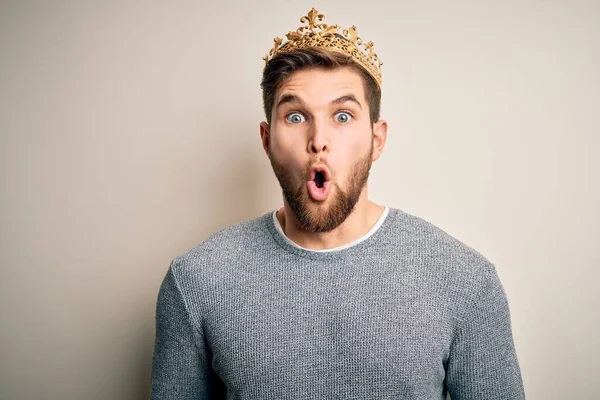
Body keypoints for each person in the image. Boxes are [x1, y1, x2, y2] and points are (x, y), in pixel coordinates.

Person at [149, 8, 525, 400]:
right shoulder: (196, 281)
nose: (319, 140)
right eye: (295, 117)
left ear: (377, 139)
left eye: (343, 116)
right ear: (266, 139)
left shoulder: (465, 281)